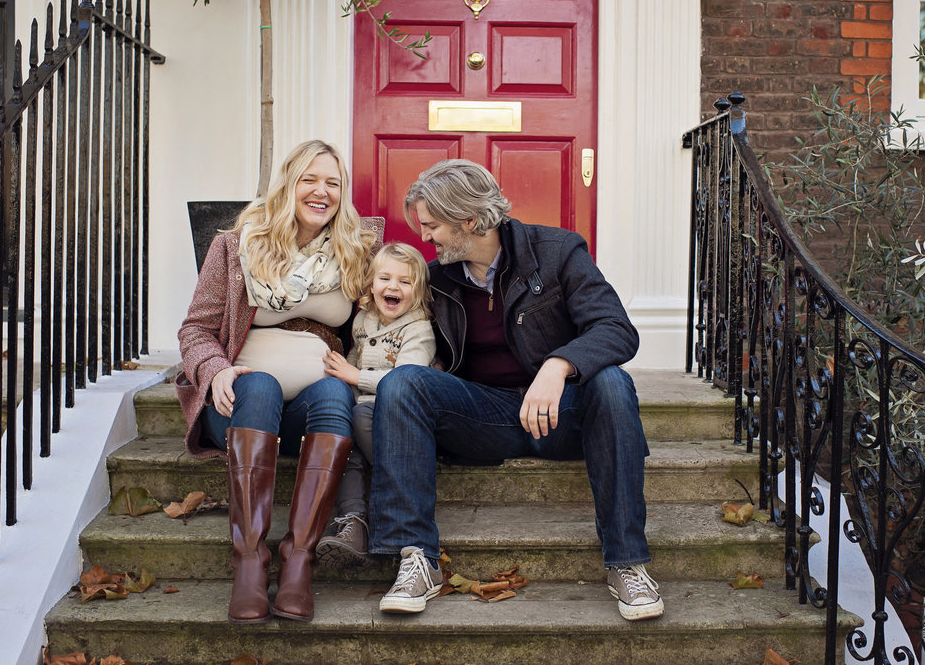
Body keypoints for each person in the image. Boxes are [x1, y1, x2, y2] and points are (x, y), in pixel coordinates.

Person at [368, 159, 664, 621]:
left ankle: (627, 562)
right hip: (487, 417)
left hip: (562, 415)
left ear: (470, 220)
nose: (425, 238)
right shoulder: (440, 277)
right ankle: (416, 558)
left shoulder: (558, 251)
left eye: (432, 226)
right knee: (403, 383)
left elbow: (617, 329)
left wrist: (558, 365)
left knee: (611, 381)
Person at [176, 140, 374, 624]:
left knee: (332, 392)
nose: (321, 192)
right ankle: (249, 559)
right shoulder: (236, 245)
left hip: (309, 408)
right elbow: (196, 328)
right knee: (259, 384)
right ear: (288, 183)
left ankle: (298, 558)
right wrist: (216, 369)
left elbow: (384, 320)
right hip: (242, 409)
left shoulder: (354, 251)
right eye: (310, 179)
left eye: (333, 182)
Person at [315, 242, 436, 568]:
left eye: (405, 281)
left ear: (419, 290)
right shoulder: (363, 320)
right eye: (385, 278)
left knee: (362, 416)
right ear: (371, 284)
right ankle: (353, 525)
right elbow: (353, 359)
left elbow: (407, 382)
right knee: (345, 446)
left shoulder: (419, 329)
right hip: (361, 414)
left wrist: (355, 376)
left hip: (397, 417)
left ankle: (394, 490)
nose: (393, 287)